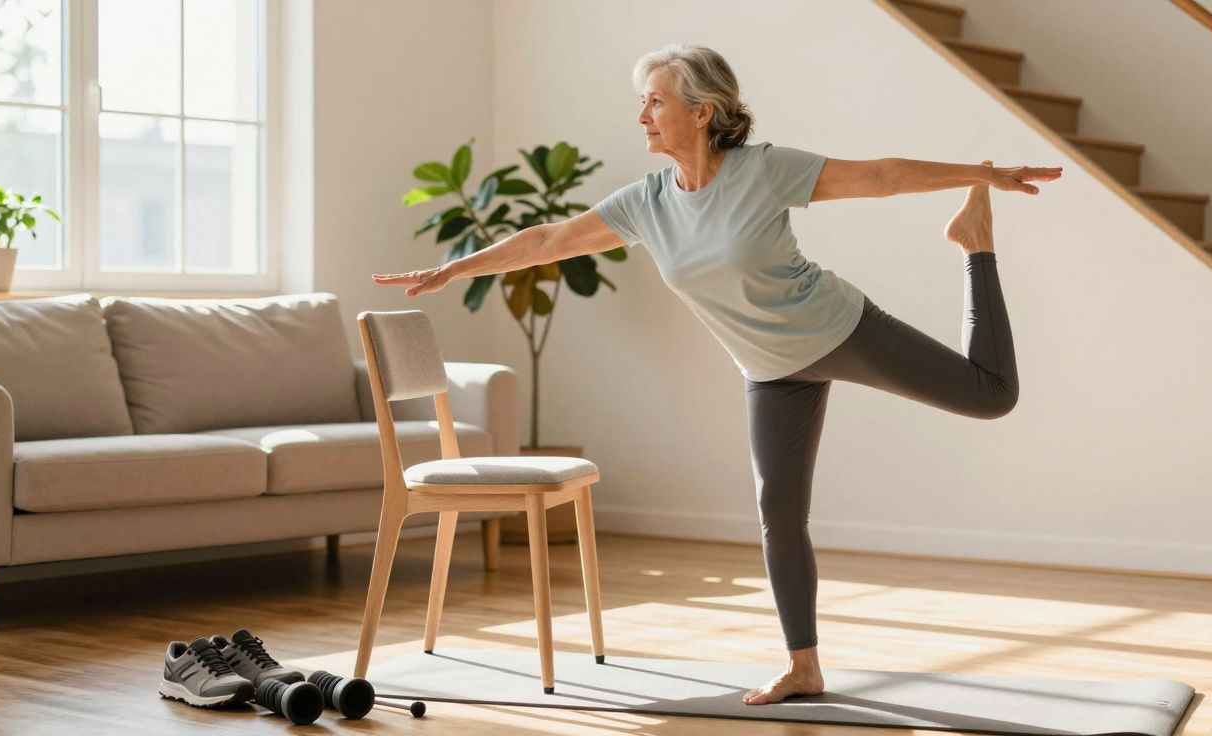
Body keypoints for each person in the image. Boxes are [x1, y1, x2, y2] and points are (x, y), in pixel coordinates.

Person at [373, 43, 1062, 706]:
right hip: (768, 370)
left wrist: (979, 175)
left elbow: (875, 176)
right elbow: (552, 239)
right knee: (778, 512)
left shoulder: (762, 170)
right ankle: (803, 667)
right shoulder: (646, 202)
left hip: (838, 328)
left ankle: (976, 246)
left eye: (654, 102)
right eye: (642, 103)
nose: (642, 116)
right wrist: (455, 267)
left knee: (992, 396)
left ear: (702, 112)